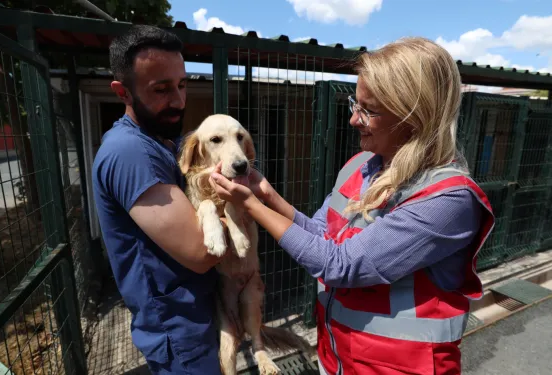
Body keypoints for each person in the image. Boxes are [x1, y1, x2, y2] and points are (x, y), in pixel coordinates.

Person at [209, 37, 495, 375]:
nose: (353, 120)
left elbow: (339, 265)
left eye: (368, 110)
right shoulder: (361, 166)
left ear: (414, 117)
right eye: (353, 103)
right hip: (339, 359)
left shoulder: (447, 200)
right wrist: (267, 195)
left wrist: (252, 207)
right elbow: (321, 234)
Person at [92, 25, 227, 374]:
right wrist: (247, 212)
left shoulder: (162, 140)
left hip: (195, 316)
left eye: (182, 85)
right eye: (161, 90)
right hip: (178, 330)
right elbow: (201, 252)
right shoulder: (130, 152)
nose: (179, 101)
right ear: (122, 92)